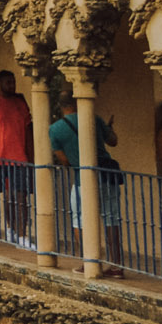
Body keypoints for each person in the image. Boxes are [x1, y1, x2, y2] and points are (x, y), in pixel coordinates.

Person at [50, 94, 122, 277]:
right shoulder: (94, 119)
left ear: (61, 107)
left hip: (83, 179)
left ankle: (89, 261)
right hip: (107, 175)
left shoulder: (55, 129)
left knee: (79, 220)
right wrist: (109, 128)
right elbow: (113, 141)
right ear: (76, 103)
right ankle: (116, 265)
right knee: (111, 218)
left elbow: (64, 160)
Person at [0, 71, 33, 246]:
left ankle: (21, 236)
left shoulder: (20, 103)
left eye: (13, 82)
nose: (12, 85)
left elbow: (28, 132)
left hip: (19, 159)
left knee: (19, 197)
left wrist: (31, 158)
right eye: (8, 82)